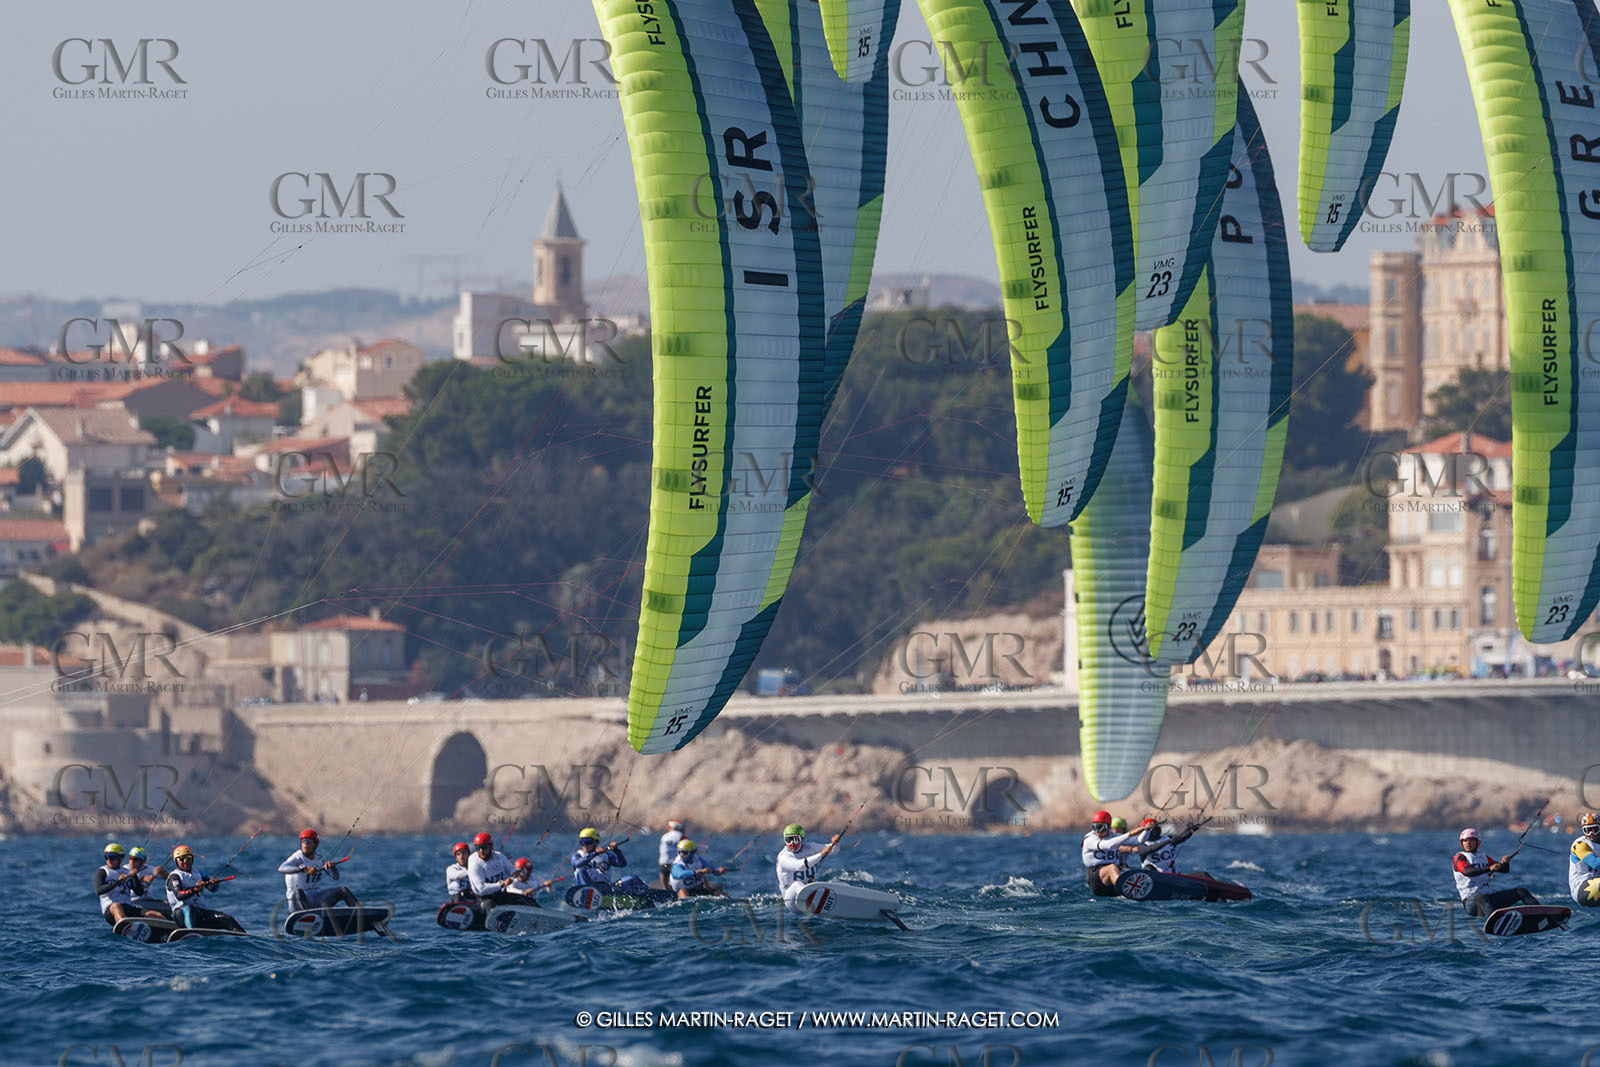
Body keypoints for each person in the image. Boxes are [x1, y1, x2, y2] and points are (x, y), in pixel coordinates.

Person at [1453, 827, 1539, 918]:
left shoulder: (1484, 857)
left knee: (1521, 892)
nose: (1468, 843)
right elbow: (1467, 871)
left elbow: (1504, 870)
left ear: (1477, 842)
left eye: (1471, 840)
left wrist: (1505, 863)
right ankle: (1497, 923)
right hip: (1471, 904)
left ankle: (1541, 915)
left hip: (1488, 900)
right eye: (1465, 841)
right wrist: (1489, 868)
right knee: (1481, 897)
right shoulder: (1459, 857)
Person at [166, 845, 244, 932]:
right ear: (176, 861)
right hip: (181, 914)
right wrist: (196, 889)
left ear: (192, 859)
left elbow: (211, 888)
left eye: (188, 858)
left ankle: (245, 939)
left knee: (228, 919)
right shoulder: (175, 876)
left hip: (199, 913)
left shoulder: (199, 873)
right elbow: (179, 895)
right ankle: (191, 933)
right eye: (181, 859)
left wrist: (215, 884)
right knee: (188, 909)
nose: (186, 861)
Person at [278, 828, 359, 912]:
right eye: (303, 841)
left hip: (315, 900)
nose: (305, 843)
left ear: (316, 844)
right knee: (299, 892)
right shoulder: (297, 858)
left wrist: (332, 868)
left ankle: (360, 915)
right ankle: (306, 918)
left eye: (309, 841)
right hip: (296, 902)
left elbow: (335, 877)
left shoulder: (320, 858)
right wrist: (303, 869)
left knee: (343, 890)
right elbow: (282, 868)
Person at [94, 843, 165, 926]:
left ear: (120, 858)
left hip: (128, 908)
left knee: (155, 915)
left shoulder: (127, 872)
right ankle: (126, 927)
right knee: (116, 906)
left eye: (112, 857)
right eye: (106, 857)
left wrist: (133, 875)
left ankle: (170, 930)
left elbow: (139, 892)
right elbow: (99, 891)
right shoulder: (102, 872)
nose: (109, 860)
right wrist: (118, 882)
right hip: (111, 910)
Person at [775, 823, 840, 913]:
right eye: (788, 840)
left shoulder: (810, 847)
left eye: (795, 839)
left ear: (802, 838)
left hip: (812, 891)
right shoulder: (783, 857)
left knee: (837, 883)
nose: (792, 843)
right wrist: (821, 854)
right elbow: (799, 866)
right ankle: (817, 904)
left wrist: (835, 843)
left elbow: (834, 850)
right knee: (797, 884)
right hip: (792, 901)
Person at [570, 828, 650, 892]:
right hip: (587, 889)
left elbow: (622, 864)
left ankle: (649, 895)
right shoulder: (578, 855)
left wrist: (616, 850)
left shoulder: (606, 856)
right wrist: (594, 853)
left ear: (596, 842)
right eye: (582, 842)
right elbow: (577, 864)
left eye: (588, 842)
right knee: (581, 871)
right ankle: (586, 894)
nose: (585, 845)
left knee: (633, 878)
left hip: (606, 889)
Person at [1082, 811, 1140, 896]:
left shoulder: (1115, 836)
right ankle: (1125, 889)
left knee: (1131, 872)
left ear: (1108, 827)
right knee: (1111, 868)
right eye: (1096, 827)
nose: (1098, 831)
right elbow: (1108, 845)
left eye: (1102, 827)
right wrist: (1130, 835)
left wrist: (1146, 829)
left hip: (1114, 877)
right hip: (1097, 879)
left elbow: (1140, 840)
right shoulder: (1089, 839)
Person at [1135, 816, 1210, 877]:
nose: (1159, 829)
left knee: (1203, 875)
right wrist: (1166, 842)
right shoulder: (1141, 845)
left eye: (1158, 827)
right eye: (1156, 827)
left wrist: (1190, 829)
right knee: (1148, 868)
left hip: (1176, 878)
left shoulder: (1168, 838)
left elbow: (1181, 837)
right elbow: (1149, 849)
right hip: (1158, 879)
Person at [467, 832, 523, 908]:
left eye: (484, 847)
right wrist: (502, 884)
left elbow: (512, 870)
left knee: (523, 901)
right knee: (490, 907)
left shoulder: (499, 856)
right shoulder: (474, 863)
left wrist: (516, 873)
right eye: (477, 848)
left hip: (500, 894)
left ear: (491, 846)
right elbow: (481, 888)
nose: (481, 851)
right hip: (484, 898)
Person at [125, 846, 172, 919]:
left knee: (169, 906)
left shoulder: (148, 869)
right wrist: (143, 879)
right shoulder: (125, 869)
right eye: (130, 858)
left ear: (142, 861)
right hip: (132, 902)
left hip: (147, 900)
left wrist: (162, 871)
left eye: (135, 859)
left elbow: (169, 878)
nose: (131, 861)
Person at [1569, 812, 1600, 905]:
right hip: (1581, 889)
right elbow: (1595, 864)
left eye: (1595, 829)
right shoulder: (1580, 845)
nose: (1591, 833)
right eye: (1587, 830)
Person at [658, 819, 686, 889]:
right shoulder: (682, 836)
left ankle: (665, 889)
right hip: (675, 863)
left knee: (663, 874)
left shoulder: (664, 836)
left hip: (663, 862)